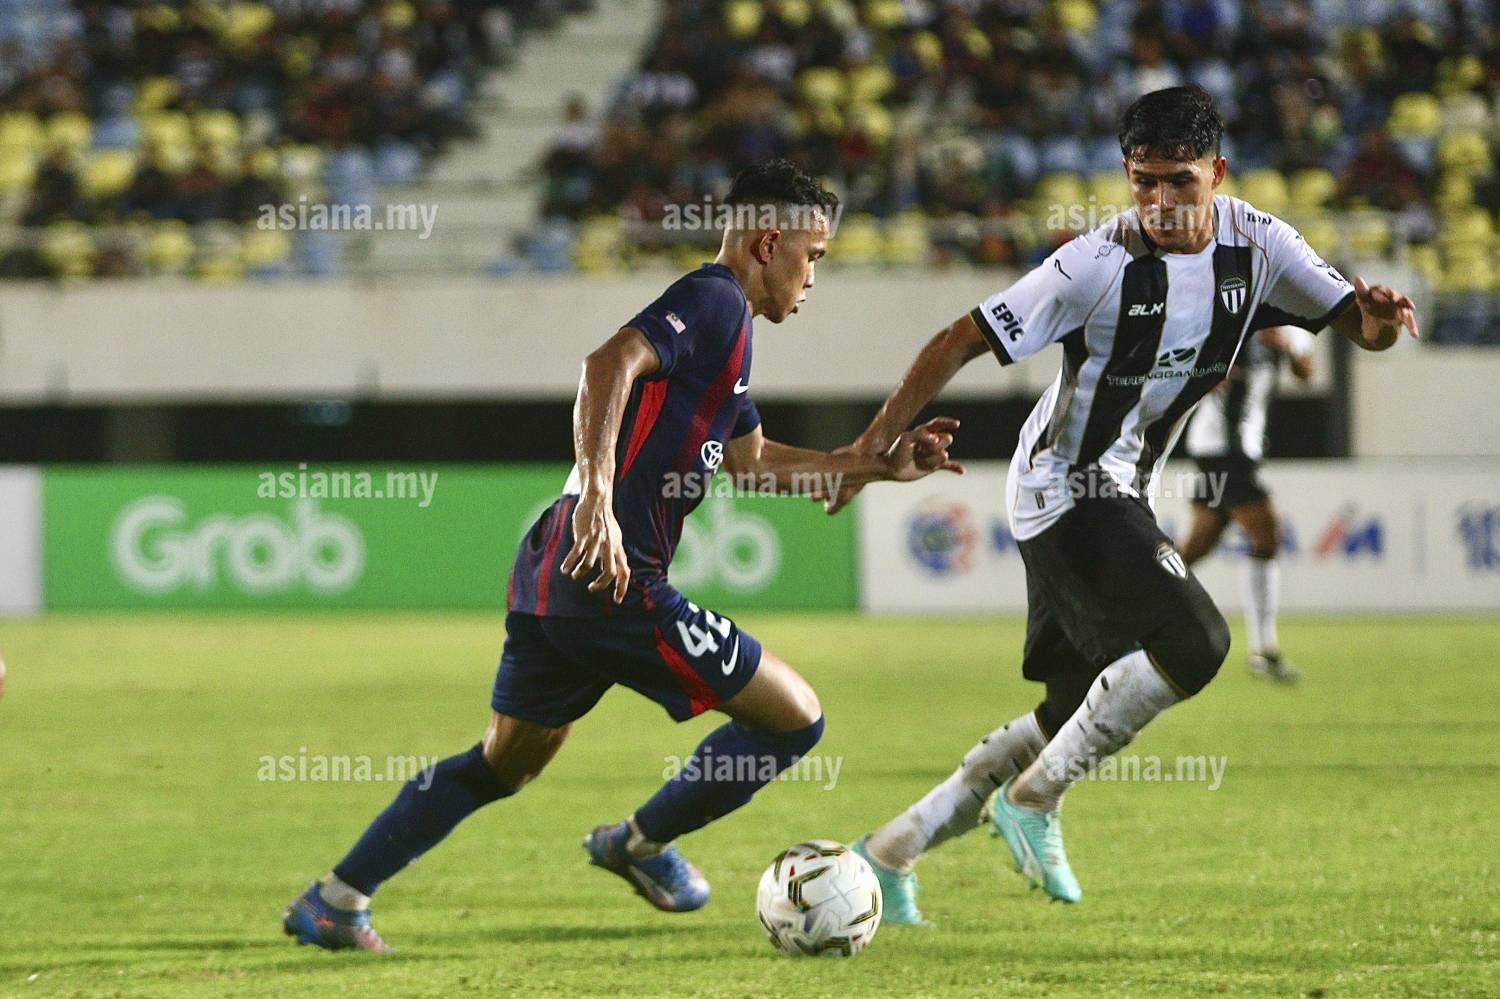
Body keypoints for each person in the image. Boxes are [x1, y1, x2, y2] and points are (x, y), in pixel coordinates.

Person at [282, 158, 963, 951]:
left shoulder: (732, 338)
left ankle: (336, 899)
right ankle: (638, 843)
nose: (813, 278)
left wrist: (876, 465)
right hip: (616, 580)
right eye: (812, 257)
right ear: (768, 243)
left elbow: (753, 462)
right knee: (795, 720)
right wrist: (600, 494)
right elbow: (608, 362)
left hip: (556, 571)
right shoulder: (713, 300)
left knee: (503, 764)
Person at [828, 86, 1417, 920]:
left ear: (1218, 172)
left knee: (1068, 712)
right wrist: (869, 447)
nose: (1161, 202)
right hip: (1065, 483)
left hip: (1121, 483)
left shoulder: (1261, 245)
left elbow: (1362, 328)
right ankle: (1035, 800)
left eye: (1180, 181)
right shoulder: (1093, 265)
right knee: (1197, 640)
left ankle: (891, 849)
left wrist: (1382, 318)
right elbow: (959, 338)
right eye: (1144, 181)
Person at [1179, 325, 1316, 681]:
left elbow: (1306, 373)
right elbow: (1181, 357)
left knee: (1195, 548)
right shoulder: (1229, 317)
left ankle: (1131, 607)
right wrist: (1206, 374)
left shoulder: (1290, 327)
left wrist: (1285, 346)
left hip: (1237, 449)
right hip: (1223, 449)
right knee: (1268, 536)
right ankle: (1264, 650)